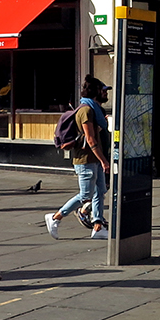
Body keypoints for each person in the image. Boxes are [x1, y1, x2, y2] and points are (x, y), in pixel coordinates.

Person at [45, 77, 112, 240]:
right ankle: (55, 218)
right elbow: (90, 139)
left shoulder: (95, 110)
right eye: (102, 90)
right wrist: (104, 160)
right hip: (85, 161)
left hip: (93, 160)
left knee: (100, 192)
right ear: (95, 91)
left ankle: (98, 226)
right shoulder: (86, 110)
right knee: (85, 196)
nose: (105, 93)